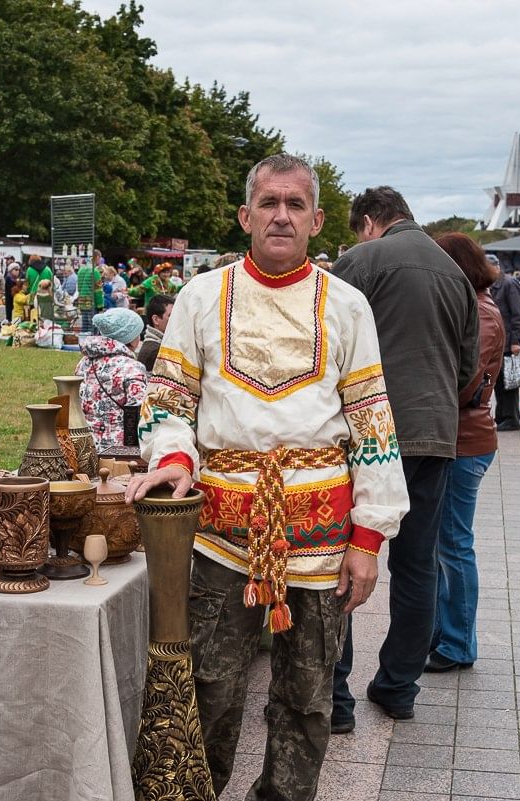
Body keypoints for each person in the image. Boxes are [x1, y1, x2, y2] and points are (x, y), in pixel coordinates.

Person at [125, 154, 408, 800]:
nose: (282, 215)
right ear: (245, 215)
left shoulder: (348, 307)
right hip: (221, 538)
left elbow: (373, 424)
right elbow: (167, 400)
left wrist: (369, 539)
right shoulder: (201, 297)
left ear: (316, 221)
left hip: (324, 543)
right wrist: (173, 457)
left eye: (296, 204)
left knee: (307, 702)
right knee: (210, 690)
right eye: (270, 202)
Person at [330, 185, 478, 730]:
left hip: (365, 435)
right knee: (418, 566)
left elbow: (323, 343)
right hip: (434, 437)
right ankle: (398, 687)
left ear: (370, 222)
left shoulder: (362, 260)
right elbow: (467, 368)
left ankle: (335, 699)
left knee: (338, 557)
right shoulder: (455, 273)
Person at [428, 233, 504, 672]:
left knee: (455, 545)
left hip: (465, 440)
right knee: (444, 545)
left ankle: (458, 644)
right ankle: (444, 635)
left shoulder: (481, 310)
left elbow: (465, 382)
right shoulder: (475, 304)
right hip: (460, 439)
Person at [74, 307, 147, 448]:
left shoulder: (84, 363)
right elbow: (139, 412)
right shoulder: (132, 368)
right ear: (131, 338)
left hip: (85, 445)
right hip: (118, 449)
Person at [489, 256, 520, 432]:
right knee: (500, 383)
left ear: (496, 267)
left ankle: (511, 419)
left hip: (510, 343)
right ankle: (502, 416)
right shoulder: (493, 285)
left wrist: (516, 341)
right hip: (499, 343)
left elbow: (518, 314)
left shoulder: (509, 284)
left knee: (509, 383)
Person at [136, 293, 174, 372]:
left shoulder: (160, 344)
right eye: (171, 315)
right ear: (156, 319)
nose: (177, 319)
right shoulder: (155, 352)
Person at [76, 258, 104, 331]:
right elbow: (98, 290)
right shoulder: (95, 272)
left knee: (85, 324)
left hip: (82, 300)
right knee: (93, 325)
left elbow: (78, 288)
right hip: (91, 302)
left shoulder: (80, 271)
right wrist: (100, 305)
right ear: (97, 257)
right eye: (99, 259)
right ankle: (92, 341)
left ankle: (83, 340)